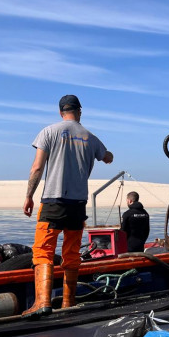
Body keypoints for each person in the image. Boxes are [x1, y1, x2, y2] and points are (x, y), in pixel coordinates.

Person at [22, 94, 113, 318]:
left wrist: (29, 196)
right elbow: (107, 157)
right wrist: (105, 155)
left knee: (43, 251)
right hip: (78, 205)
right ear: (79, 111)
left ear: (61, 112)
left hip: (53, 202)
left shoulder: (48, 132)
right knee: (71, 252)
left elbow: (37, 168)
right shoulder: (90, 137)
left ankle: (42, 302)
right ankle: (68, 302)